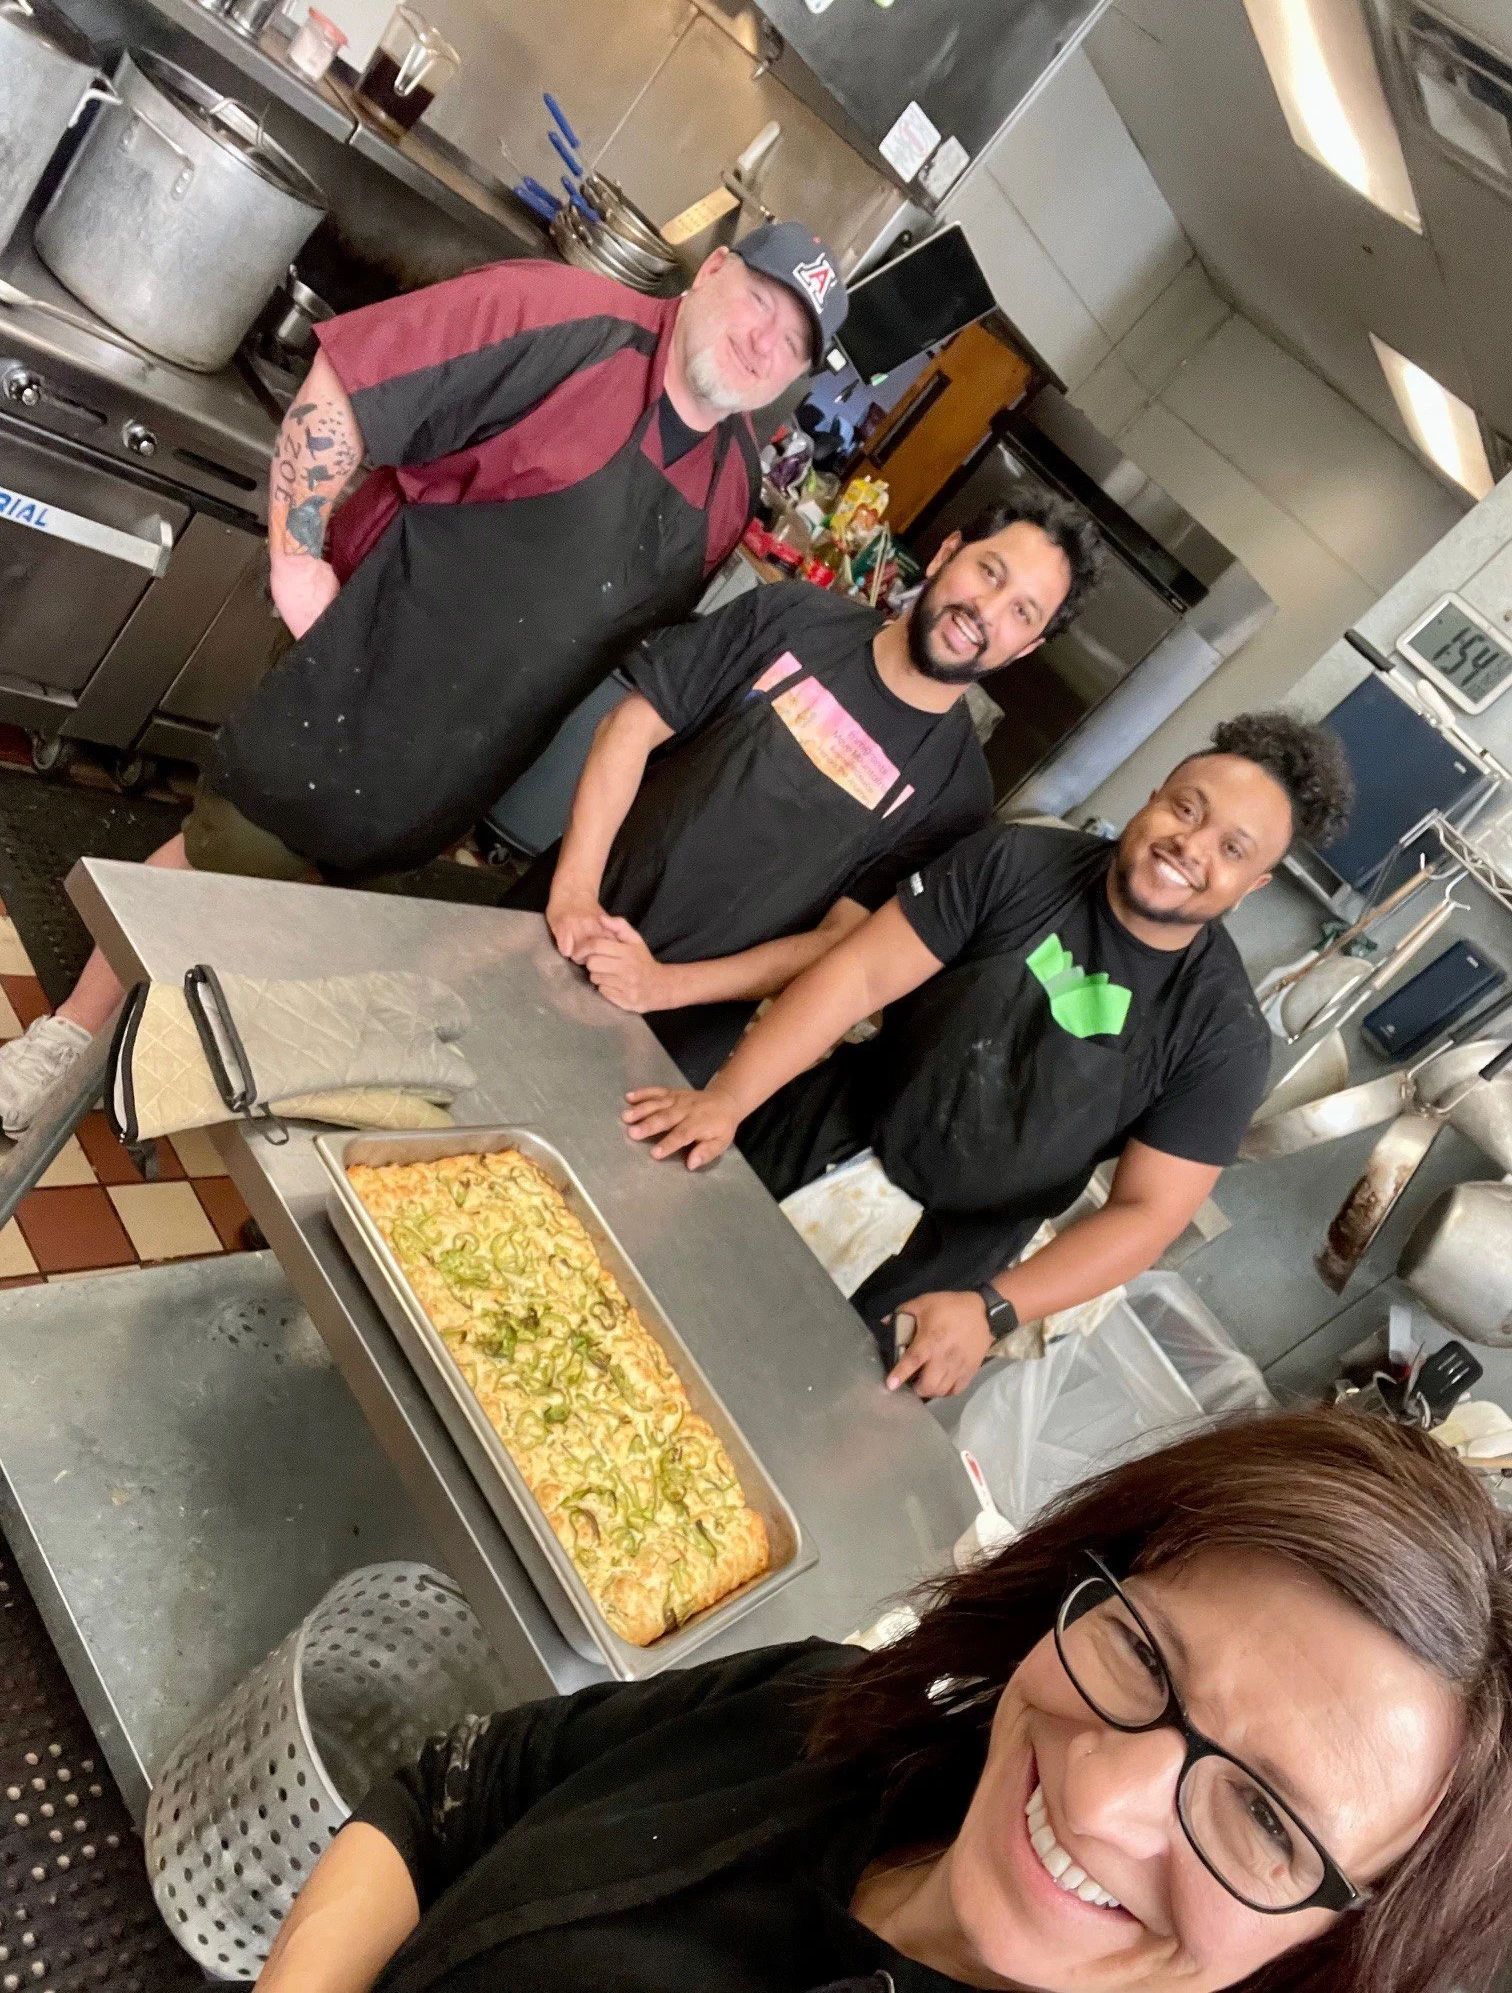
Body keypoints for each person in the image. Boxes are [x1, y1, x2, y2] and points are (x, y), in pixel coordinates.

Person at [0, 222, 848, 1135]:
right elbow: (350, 385)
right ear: (714, 268)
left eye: (796, 342)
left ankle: (172, 1046)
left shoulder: (732, 484)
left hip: (460, 756)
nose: (766, 341)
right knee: (230, 848)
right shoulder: (560, 319)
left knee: (305, 896)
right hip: (362, 668)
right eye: (762, 302)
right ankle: (73, 1036)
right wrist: (295, 556)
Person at [249, 1411, 1512, 1993]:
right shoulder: (828, 1710)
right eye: (1146, 1655)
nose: (1111, 1792)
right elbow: (461, 1793)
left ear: (1348, 1946)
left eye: (1269, 1823)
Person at [623, 713, 1355, 1398]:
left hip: (942, 1274)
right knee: (633, 1292)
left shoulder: (1221, 1034)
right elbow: (858, 976)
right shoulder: (1017, 859)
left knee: (768, 1409)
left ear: (1253, 885)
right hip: (809, 1138)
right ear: (1156, 793)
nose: (1191, 848)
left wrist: (992, 1311)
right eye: (1187, 809)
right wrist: (727, 1098)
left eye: (1232, 849)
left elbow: (1145, 1214)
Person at [513, 487, 1104, 1083]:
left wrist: (663, 986)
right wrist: (574, 896)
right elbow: (631, 725)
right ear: (946, 553)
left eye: (1023, 613)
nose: (988, 610)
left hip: (668, 1036)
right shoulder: (790, 617)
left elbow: (839, 941)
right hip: (552, 923)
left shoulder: (957, 798)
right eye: (989, 572)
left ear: (1028, 647)